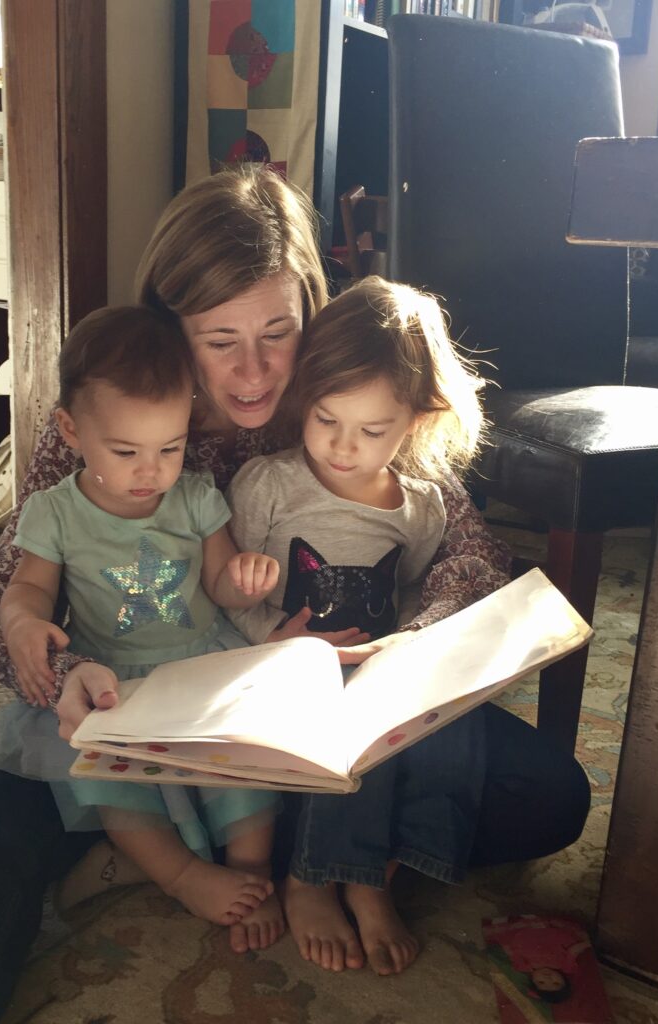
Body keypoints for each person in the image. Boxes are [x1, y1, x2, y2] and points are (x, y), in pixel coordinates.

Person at [0, 165, 590, 1024]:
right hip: (136, 712)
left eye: (278, 331)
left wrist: (399, 647)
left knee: (549, 797)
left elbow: (467, 552)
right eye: (216, 339)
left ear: (314, 311)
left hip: (319, 721)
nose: (252, 371)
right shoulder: (118, 410)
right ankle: (219, 853)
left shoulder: (347, 391)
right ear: (170, 330)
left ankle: (222, 855)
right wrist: (53, 655)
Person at [0, 304, 284, 944]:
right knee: (118, 793)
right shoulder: (54, 512)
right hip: (111, 678)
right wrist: (21, 626)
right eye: (126, 451)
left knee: (239, 766)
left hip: (201, 662)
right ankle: (180, 877)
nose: (151, 471)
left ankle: (252, 873)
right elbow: (28, 589)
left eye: (169, 447)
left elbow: (218, 578)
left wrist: (246, 577)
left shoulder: (196, 496)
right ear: (70, 430)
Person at [225, 276, 484, 975]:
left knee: (451, 731)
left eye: (371, 432)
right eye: (324, 419)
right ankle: (315, 877)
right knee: (343, 730)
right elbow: (226, 594)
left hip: (380, 668)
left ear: (415, 422)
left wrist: (413, 647)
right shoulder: (269, 485)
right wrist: (267, 640)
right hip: (286, 668)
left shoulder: (423, 508)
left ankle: (383, 873)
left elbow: (410, 595)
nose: (342, 448)